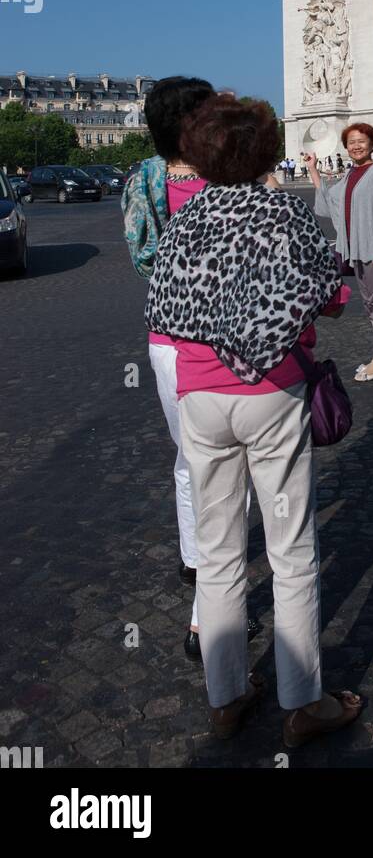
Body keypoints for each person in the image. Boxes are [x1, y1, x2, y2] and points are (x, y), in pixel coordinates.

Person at [146, 93, 362, 745]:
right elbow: (334, 298)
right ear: (267, 151)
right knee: (290, 548)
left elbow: (163, 307)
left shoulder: (185, 217)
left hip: (200, 394)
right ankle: (302, 702)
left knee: (216, 552)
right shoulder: (283, 213)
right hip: (272, 390)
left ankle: (226, 696)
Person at [122, 75, 217, 660]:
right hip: (192, 338)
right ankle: (204, 589)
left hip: (184, 336)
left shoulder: (218, 174)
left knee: (199, 459)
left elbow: (148, 255)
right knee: (203, 462)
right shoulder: (150, 179)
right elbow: (142, 256)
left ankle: (198, 562)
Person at [305, 122, 373, 382]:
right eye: (351, 142)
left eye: (361, 141)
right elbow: (328, 201)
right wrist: (313, 168)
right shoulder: (350, 174)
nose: (356, 146)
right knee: (372, 304)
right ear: (345, 147)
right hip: (355, 248)